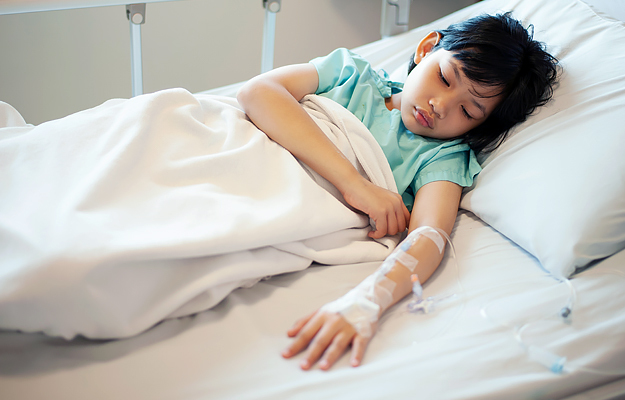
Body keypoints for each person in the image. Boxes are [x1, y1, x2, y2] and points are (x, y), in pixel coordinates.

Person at [237, 12, 558, 371]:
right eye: (445, 78)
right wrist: (355, 183)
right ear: (425, 49)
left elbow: (429, 236)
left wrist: (366, 301)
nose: (441, 105)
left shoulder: (441, 157)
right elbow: (258, 92)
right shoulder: (350, 74)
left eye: (467, 111)